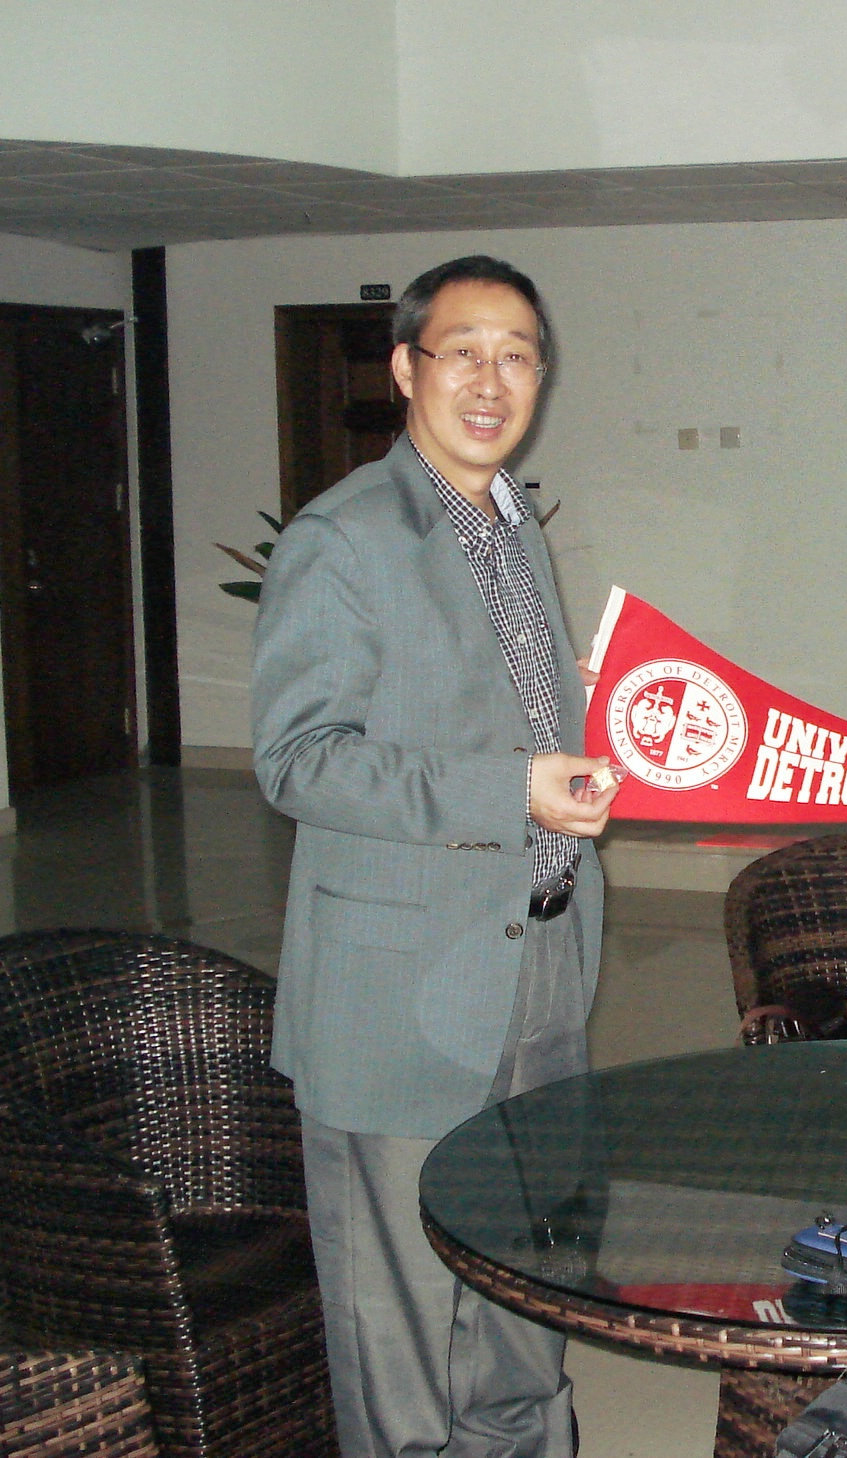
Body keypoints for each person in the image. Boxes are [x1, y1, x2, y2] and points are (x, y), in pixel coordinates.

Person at [252, 254, 619, 1457]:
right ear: (406, 369)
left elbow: (497, 710)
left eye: (517, 357)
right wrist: (512, 790)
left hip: (541, 972)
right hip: (400, 993)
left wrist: (593, 725)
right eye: (463, 352)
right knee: (401, 1332)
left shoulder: (513, 525)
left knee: (526, 1294)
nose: (490, 381)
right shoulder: (344, 538)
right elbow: (300, 760)